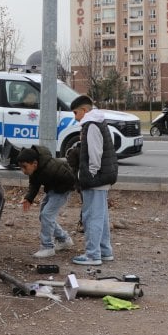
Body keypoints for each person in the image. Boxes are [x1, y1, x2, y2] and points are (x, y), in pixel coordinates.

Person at [68, 94, 118, 265]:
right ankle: (105, 251)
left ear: (84, 110)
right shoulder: (98, 122)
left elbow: (95, 153)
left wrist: (89, 174)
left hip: (96, 177)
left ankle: (92, 255)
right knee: (101, 215)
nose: (75, 118)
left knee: (92, 216)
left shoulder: (91, 125)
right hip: (103, 176)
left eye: (75, 113)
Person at [17, 145, 76, 258]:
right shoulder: (37, 168)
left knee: (46, 215)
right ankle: (64, 239)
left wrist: (60, 190)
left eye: (24, 167)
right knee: (44, 217)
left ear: (34, 163)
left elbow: (71, 179)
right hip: (53, 190)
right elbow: (34, 184)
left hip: (61, 191)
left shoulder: (50, 168)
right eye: (21, 167)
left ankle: (48, 247)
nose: (23, 171)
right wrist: (29, 198)